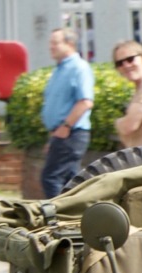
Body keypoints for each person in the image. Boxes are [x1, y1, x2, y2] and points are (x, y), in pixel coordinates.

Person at [40, 28, 94, 199]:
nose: (51, 47)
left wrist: (65, 127)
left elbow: (85, 102)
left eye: (55, 43)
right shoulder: (59, 69)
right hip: (63, 133)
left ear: (69, 44)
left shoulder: (79, 68)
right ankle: (72, 219)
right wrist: (54, 136)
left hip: (71, 133)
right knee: (70, 182)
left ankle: (57, 220)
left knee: (50, 178)